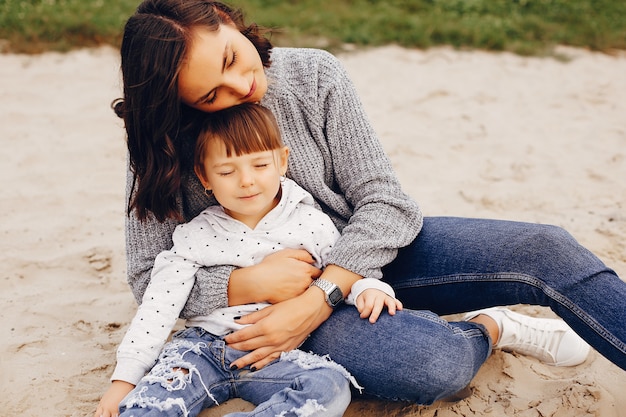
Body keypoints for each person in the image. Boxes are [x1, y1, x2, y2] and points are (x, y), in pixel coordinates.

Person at [112, 0, 625, 408]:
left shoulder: (315, 75)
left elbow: (387, 203)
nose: (240, 86)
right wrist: (247, 283)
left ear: (225, 18)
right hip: (268, 312)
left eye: (229, 59)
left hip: (367, 260)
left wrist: (320, 298)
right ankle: (494, 326)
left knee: (545, 247)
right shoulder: (160, 143)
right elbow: (146, 276)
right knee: (432, 367)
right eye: (210, 97)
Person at [97, 103, 405, 417]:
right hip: (202, 349)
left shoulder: (312, 224)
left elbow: (341, 271)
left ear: (282, 162)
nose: (246, 181)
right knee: (151, 404)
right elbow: (158, 306)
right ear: (204, 176)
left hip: (277, 355)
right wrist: (125, 378)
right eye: (227, 171)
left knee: (330, 387)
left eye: (259, 165)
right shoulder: (194, 235)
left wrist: (369, 289)